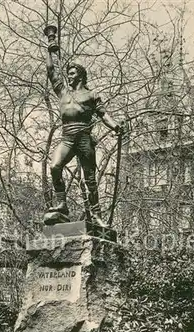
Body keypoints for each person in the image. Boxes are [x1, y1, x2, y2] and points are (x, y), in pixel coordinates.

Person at [46, 40, 123, 226]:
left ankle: (96, 216)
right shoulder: (63, 92)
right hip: (67, 137)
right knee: (55, 166)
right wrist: (49, 51)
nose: (69, 77)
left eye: (72, 74)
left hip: (84, 138)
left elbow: (103, 114)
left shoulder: (91, 95)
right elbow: (51, 72)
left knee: (90, 180)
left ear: (80, 76)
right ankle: (62, 204)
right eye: (68, 74)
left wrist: (115, 126)